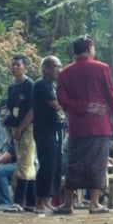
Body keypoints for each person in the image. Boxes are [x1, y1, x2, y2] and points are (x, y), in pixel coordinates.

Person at [55, 35, 113, 215]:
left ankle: (67, 204)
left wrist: (83, 106)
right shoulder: (101, 68)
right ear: (90, 47)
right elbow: (112, 97)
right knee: (98, 164)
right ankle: (93, 204)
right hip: (99, 125)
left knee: (74, 163)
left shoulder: (64, 73)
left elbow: (62, 100)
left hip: (77, 126)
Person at [3, 54, 36, 213]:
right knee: (25, 162)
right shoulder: (12, 88)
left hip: (28, 127)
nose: (14, 67)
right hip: (15, 127)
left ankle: (19, 201)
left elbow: (33, 110)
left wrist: (21, 128)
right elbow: (11, 109)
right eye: (13, 65)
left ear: (25, 67)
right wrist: (11, 126)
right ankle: (30, 201)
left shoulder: (30, 85)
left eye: (18, 65)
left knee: (25, 162)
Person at [32, 56, 65, 213]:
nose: (59, 70)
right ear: (45, 68)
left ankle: (49, 200)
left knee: (56, 165)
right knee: (47, 164)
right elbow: (55, 105)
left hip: (55, 129)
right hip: (44, 129)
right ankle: (40, 202)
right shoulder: (41, 85)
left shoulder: (53, 86)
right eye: (56, 67)